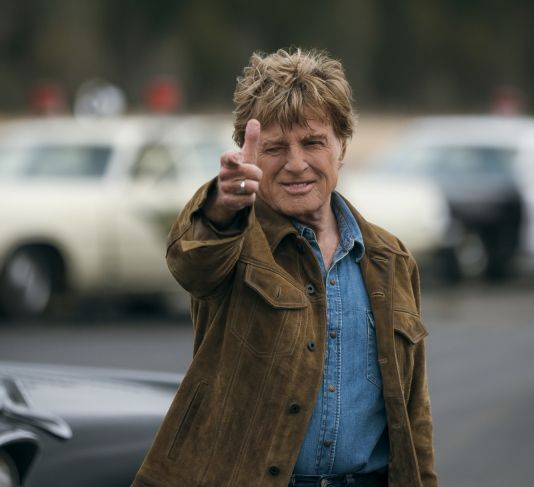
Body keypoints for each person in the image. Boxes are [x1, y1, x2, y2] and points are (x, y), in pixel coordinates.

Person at [133, 48, 437, 487]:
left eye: (312, 142)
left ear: (342, 145)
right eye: (275, 148)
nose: (296, 164)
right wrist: (221, 206)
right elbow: (192, 260)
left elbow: (414, 415)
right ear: (251, 156)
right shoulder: (233, 240)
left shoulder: (391, 259)